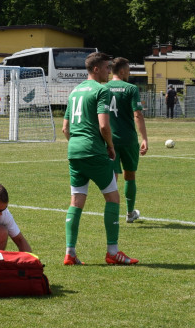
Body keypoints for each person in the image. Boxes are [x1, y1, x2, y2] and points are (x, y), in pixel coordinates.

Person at [62, 51, 137, 266]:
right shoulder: (101, 90)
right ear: (96, 69)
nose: (108, 71)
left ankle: (70, 253)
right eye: (106, 67)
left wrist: (76, 145)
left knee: (76, 202)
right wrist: (110, 147)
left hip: (74, 152)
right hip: (95, 151)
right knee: (113, 199)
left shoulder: (74, 91)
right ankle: (112, 252)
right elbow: (104, 125)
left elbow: (65, 128)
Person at [107, 57, 149, 222]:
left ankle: (112, 215)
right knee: (129, 175)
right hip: (128, 139)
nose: (129, 73)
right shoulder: (131, 89)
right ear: (123, 71)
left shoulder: (103, 88)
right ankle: (130, 213)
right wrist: (144, 138)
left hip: (109, 139)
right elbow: (137, 114)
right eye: (129, 70)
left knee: (113, 177)